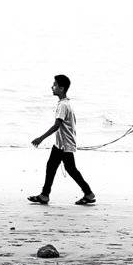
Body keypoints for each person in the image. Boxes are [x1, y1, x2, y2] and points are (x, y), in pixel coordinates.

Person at [28, 74, 95, 205]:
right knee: (53, 166)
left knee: (70, 169)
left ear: (61, 88)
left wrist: (40, 138)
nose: (52, 87)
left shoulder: (63, 105)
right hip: (62, 144)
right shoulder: (65, 103)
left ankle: (88, 193)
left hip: (64, 145)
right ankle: (45, 195)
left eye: (54, 85)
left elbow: (57, 126)